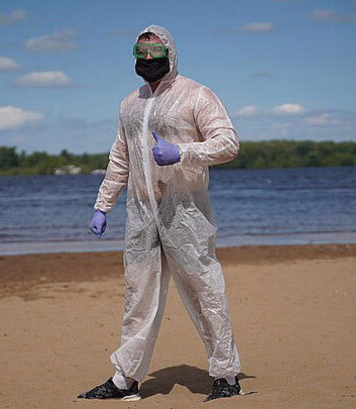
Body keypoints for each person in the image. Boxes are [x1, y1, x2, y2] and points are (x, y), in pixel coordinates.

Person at [78, 24, 242, 402]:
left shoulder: (196, 95)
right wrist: (103, 205)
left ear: (170, 54)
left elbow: (228, 143)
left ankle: (226, 375)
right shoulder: (129, 103)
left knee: (205, 291)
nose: (147, 62)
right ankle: (126, 379)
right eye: (141, 55)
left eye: (155, 54)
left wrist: (182, 152)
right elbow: (120, 157)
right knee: (137, 295)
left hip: (185, 211)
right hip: (140, 213)